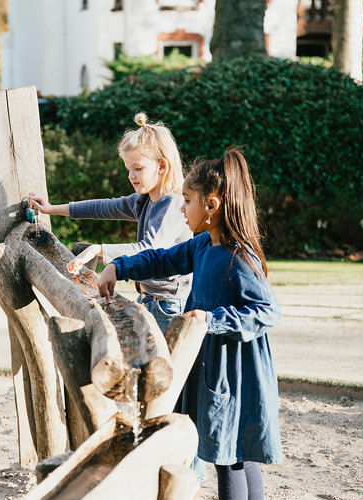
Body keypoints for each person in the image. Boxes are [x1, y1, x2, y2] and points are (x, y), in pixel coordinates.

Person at [97, 147, 283, 499]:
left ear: (211, 206)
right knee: (231, 453)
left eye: (187, 200)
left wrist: (211, 320)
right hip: (212, 365)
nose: (181, 209)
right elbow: (162, 258)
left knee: (231, 455)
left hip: (235, 371)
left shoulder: (238, 256)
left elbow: (266, 311)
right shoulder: (203, 245)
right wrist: (118, 268)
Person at [28, 112, 192, 334]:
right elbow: (102, 207)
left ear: (162, 166)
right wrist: (51, 208)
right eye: (128, 169)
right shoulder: (145, 200)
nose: (130, 175)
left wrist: (98, 250)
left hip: (169, 307)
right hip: (151, 300)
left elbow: (148, 249)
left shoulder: (172, 204)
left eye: (138, 168)